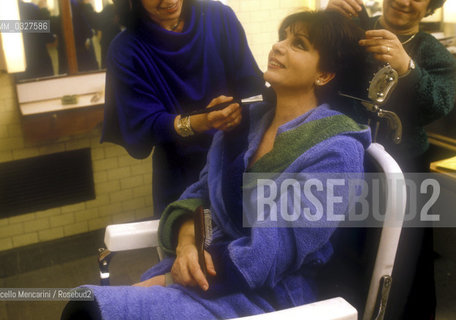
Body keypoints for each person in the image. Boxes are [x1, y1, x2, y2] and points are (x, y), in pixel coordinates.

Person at [61, 10, 371, 320]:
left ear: (324, 74)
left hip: (267, 295)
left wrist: (170, 280)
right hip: (202, 272)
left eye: (299, 44)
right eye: (283, 37)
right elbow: (200, 198)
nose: (279, 47)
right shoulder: (244, 125)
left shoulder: (336, 149)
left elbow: (274, 250)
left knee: (89, 311)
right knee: (87, 307)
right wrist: (186, 244)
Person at [326, 1, 456, 319]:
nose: (405, 1)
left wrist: (407, 68)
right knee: (344, 248)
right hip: (347, 158)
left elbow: (440, 103)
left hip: (407, 168)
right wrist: (328, 20)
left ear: (430, 6)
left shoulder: (432, 50)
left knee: (404, 257)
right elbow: (321, 64)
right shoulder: (354, 28)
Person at [101, 0, 265, 217]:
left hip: (237, 159)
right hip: (180, 173)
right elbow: (145, 124)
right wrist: (203, 121)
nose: (169, 1)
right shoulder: (126, 49)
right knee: (189, 242)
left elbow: (251, 85)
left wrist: (237, 110)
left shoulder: (219, 17)